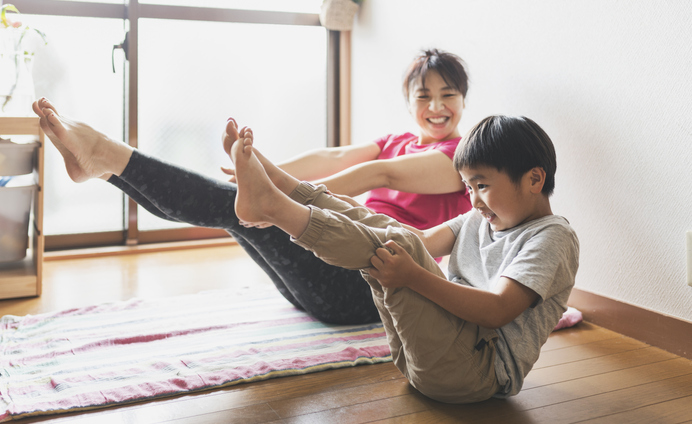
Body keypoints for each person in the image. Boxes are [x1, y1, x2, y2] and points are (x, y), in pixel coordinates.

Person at [31, 48, 472, 325]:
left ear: (463, 100)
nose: (435, 106)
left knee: (236, 208)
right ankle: (105, 166)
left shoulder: (461, 157)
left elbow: (384, 174)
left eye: (447, 94)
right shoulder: (394, 141)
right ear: (409, 101)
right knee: (240, 214)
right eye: (423, 96)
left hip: (374, 290)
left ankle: (106, 158)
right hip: (331, 273)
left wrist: (287, 193)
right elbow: (334, 156)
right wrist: (267, 166)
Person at [226, 115, 580, 403]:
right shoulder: (479, 218)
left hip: (478, 373)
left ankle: (276, 207)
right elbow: (420, 239)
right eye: (468, 188)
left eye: (482, 185)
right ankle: (286, 188)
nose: (473, 200)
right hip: (420, 359)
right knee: (403, 238)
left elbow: (497, 310)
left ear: (534, 179)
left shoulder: (551, 237)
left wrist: (414, 277)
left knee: (403, 249)